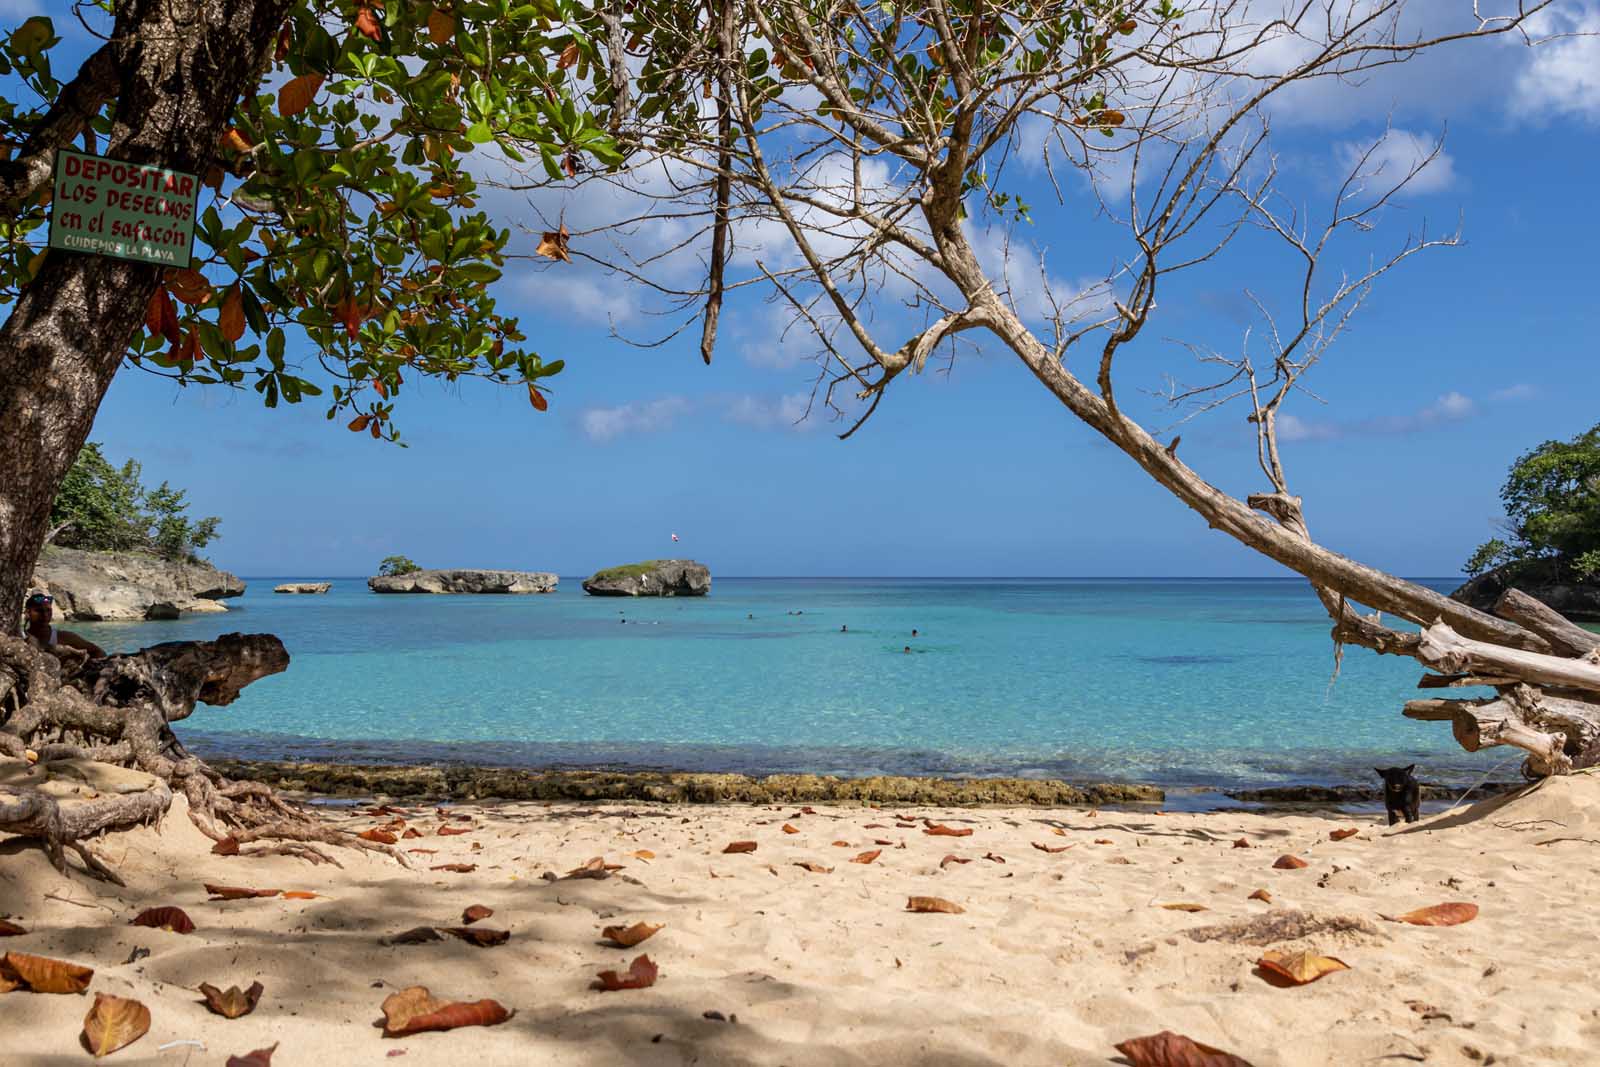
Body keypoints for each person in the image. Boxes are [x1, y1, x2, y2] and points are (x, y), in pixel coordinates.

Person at [21, 593, 105, 659]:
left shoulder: (65, 637)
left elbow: (98, 652)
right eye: (39, 610)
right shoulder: (21, 638)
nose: (45, 615)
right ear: (27, 613)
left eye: (48, 610)